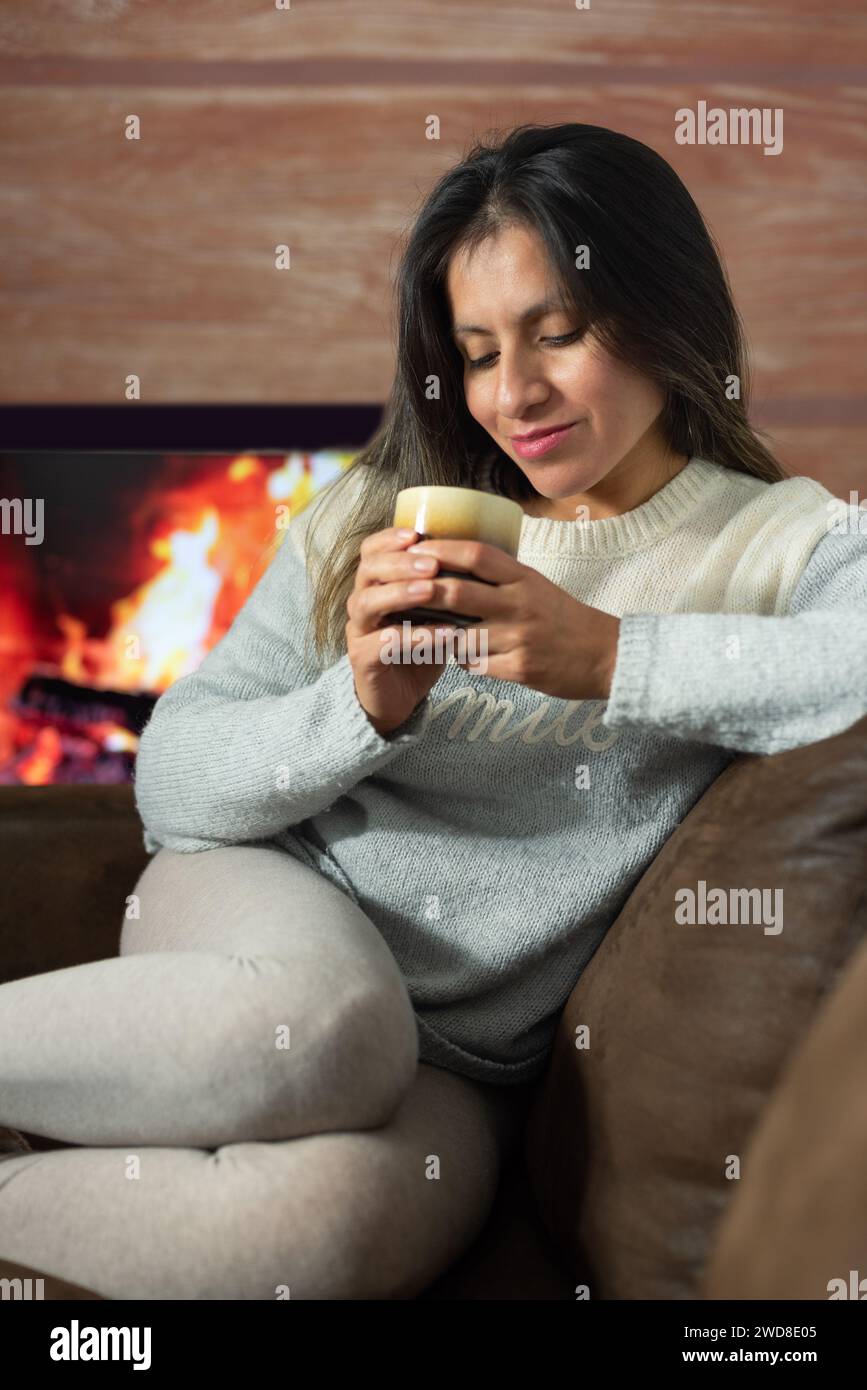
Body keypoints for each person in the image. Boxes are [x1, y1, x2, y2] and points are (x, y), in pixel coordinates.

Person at [2, 122, 866, 1300]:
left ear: (667, 310)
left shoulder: (782, 542)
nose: (513, 394)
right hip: (271, 903)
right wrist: (359, 708)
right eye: (474, 352)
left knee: (324, 1240)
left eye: (557, 334)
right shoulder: (382, 505)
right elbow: (175, 775)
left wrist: (611, 654)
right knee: (334, 1021)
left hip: (464, 1065)